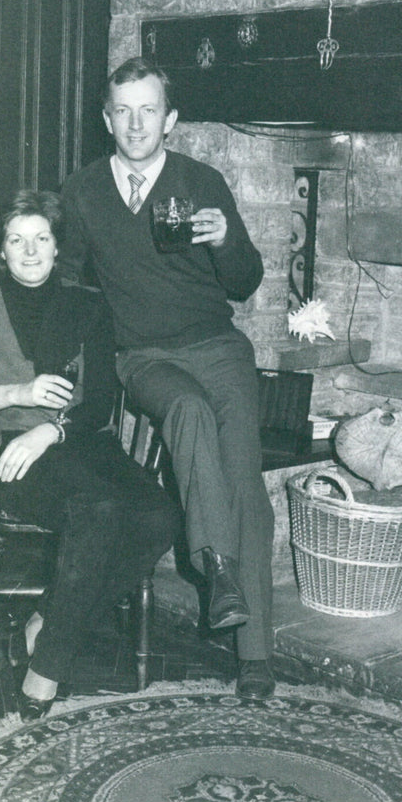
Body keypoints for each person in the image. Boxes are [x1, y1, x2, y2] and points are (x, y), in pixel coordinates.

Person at [59, 57, 276, 702]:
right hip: (144, 357)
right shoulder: (84, 191)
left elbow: (243, 282)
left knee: (246, 486)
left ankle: (255, 659)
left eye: (147, 110)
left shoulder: (201, 180)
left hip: (217, 346)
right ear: (106, 119)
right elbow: (69, 289)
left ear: (170, 119)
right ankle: (216, 568)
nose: (134, 123)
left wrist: (223, 239)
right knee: (186, 412)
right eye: (122, 111)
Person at [0, 188, 181, 721]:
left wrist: (53, 431)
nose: (29, 250)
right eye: (16, 239)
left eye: (41, 238)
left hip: (78, 441)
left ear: (56, 246)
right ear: (0, 250)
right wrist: (17, 396)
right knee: (98, 509)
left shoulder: (88, 304)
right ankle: (47, 670)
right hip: (6, 452)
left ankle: (51, 618)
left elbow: (104, 404)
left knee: (161, 514)